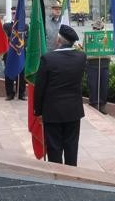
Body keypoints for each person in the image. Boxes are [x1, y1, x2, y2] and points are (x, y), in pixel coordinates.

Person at [33, 24, 86, 166]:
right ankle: (71, 177)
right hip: (73, 111)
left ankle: (57, 178)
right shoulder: (81, 57)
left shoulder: (48, 59)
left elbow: (40, 88)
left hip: (52, 112)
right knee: (71, 147)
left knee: (54, 148)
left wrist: (38, 111)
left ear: (59, 40)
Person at [2, 7, 27, 101]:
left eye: (16, 14)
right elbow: (5, 39)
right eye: (13, 13)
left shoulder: (25, 27)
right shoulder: (6, 26)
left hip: (21, 54)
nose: (15, 15)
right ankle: (9, 94)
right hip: (9, 54)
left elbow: (26, 40)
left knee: (21, 73)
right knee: (9, 74)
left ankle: (21, 93)